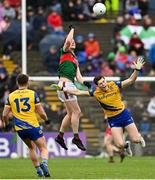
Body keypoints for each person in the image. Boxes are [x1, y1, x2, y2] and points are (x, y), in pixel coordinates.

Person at [62, 57, 146, 156]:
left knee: (135, 140)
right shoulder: (96, 93)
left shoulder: (114, 85)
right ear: (98, 86)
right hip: (113, 120)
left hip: (124, 114)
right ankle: (126, 146)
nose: (103, 84)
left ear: (105, 80)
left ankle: (139, 138)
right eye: (101, 83)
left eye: (103, 81)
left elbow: (131, 80)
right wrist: (64, 88)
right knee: (119, 145)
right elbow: (78, 92)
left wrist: (136, 70)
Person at [51, 25, 91, 151]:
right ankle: (76, 137)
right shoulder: (65, 51)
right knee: (77, 112)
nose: (72, 42)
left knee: (70, 114)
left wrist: (85, 83)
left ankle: (60, 136)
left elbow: (79, 76)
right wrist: (73, 29)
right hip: (65, 85)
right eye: (71, 41)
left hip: (69, 85)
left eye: (74, 42)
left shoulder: (75, 59)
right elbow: (68, 41)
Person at [2, 74, 51, 177]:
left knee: (31, 148)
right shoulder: (32, 94)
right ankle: (44, 163)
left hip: (20, 128)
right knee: (43, 148)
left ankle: (38, 171)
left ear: (17, 83)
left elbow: (4, 114)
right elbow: (41, 113)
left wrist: (6, 123)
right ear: (28, 82)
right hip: (33, 125)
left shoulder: (11, 96)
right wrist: (46, 120)